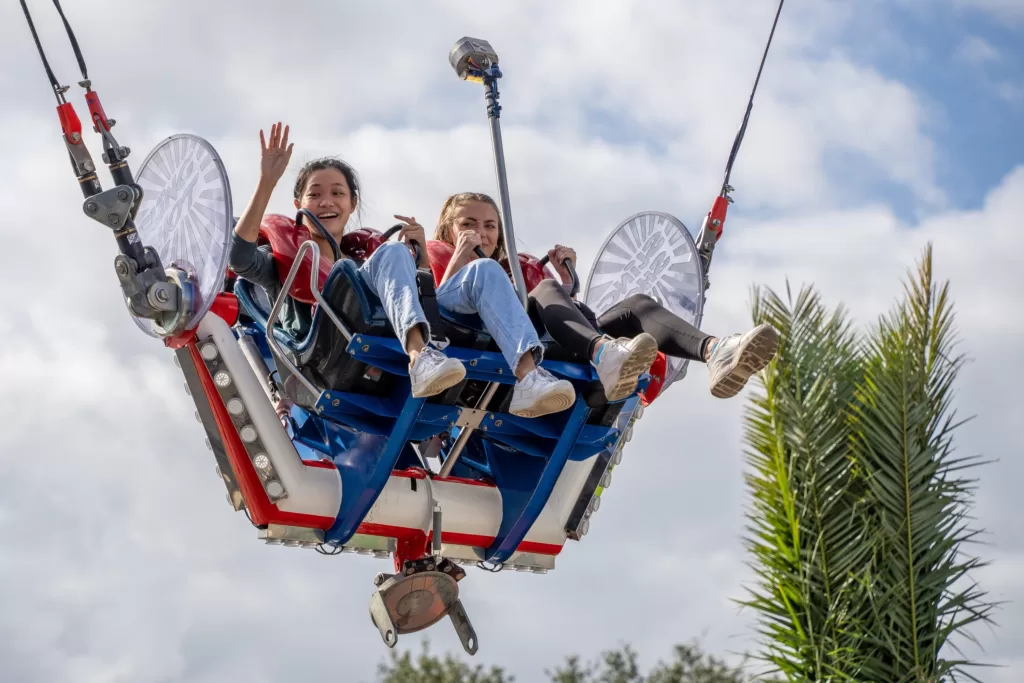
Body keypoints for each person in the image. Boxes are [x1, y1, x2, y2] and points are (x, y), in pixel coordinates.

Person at [230, 123, 576, 418]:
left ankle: (528, 376)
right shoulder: (286, 259)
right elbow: (240, 258)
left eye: (337, 193)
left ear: (352, 204)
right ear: (299, 205)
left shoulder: (363, 256)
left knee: (484, 269)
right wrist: (266, 182)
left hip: (383, 330)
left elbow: (425, 297)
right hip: (325, 355)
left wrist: (421, 257)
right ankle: (418, 356)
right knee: (393, 252)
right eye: (314, 194)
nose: (326, 202)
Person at [434, 192, 780, 401]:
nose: (481, 232)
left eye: (490, 225)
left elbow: (550, 308)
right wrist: (460, 257)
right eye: (468, 224)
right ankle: (604, 354)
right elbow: (436, 308)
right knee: (546, 290)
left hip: (543, 337)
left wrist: (566, 283)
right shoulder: (440, 256)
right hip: (482, 340)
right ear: (449, 229)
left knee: (635, 306)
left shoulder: (514, 268)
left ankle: (716, 351)